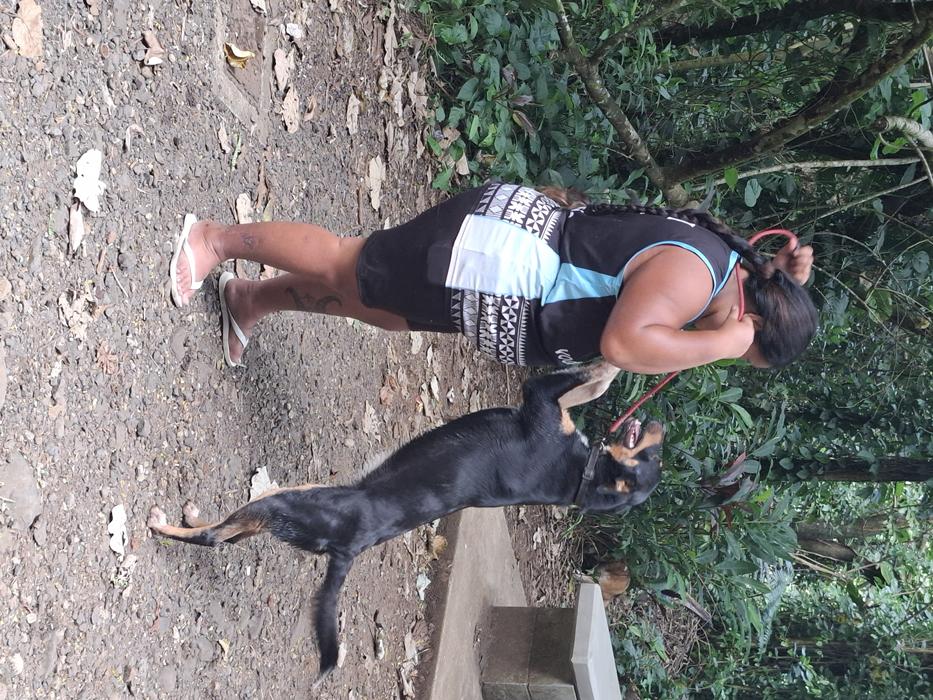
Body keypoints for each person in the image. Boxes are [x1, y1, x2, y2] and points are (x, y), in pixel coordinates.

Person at [169, 182, 816, 373]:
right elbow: (625, 343)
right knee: (350, 263)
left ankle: (249, 299)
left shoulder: (715, 272)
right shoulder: (695, 275)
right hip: (494, 257)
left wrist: (771, 287)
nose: (727, 355)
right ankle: (215, 240)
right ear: (748, 321)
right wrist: (719, 343)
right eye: (744, 354)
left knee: (379, 306)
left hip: (492, 284)